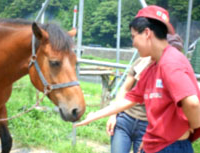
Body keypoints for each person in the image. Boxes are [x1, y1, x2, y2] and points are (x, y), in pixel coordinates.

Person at [75, 5, 200, 153]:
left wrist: (194, 126)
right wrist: (95, 115)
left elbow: (192, 103)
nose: (133, 43)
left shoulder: (170, 62)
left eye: (134, 36)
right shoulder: (153, 67)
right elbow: (129, 99)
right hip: (158, 145)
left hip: (171, 147)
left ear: (147, 33)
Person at [107, 34, 184, 153]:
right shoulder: (141, 63)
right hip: (125, 119)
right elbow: (125, 89)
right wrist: (113, 115)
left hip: (147, 126)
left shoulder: (176, 73)